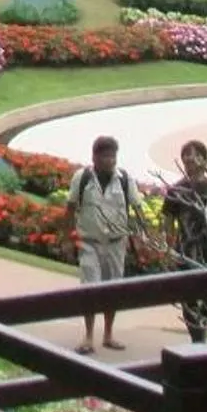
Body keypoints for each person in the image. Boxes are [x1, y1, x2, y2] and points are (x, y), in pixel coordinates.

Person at [68, 135, 139, 352]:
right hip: (89, 242)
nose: (110, 160)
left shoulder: (125, 180)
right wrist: (68, 238)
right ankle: (88, 336)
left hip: (116, 243)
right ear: (95, 157)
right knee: (90, 288)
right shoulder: (82, 178)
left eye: (113, 156)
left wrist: (139, 238)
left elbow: (136, 209)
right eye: (106, 156)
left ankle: (108, 334)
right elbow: (70, 208)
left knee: (113, 289)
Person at [161, 139, 207, 344]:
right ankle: (197, 338)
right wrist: (169, 249)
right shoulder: (177, 190)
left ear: (205, 160)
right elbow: (168, 223)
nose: (190, 159)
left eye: (196, 154)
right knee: (188, 296)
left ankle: (201, 329)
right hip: (186, 250)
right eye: (186, 155)